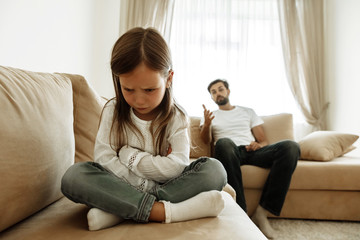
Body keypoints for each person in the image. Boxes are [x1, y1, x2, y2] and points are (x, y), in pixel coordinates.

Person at [61, 28, 227, 231]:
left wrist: (130, 156)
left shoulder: (177, 116)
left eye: (149, 90)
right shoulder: (113, 110)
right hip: (122, 185)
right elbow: (104, 159)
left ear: (168, 79)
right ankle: (163, 211)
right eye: (128, 89)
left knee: (215, 170)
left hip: (163, 186)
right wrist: (144, 184)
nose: (139, 100)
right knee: (74, 176)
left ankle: (122, 210)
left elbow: (176, 167)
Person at [200, 79, 300, 238]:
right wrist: (206, 124)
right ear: (212, 98)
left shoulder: (247, 111)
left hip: (251, 151)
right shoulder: (210, 116)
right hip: (229, 152)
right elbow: (205, 141)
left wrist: (258, 145)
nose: (218, 93)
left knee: (291, 147)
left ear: (228, 91)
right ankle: (241, 214)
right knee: (223, 142)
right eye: (214, 92)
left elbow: (264, 140)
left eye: (220, 89)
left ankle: (262, 212)